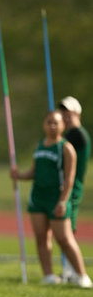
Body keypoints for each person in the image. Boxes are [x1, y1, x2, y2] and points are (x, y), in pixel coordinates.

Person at [10, 110, 92, 288]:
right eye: (49, 122)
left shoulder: (66, 148)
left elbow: (70, 178)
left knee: (64, 238)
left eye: (56, 123)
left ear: (63, 125)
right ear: (44, 124)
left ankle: (82, 275)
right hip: (38, 198)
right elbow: (34, 172)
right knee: (41, 238)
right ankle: (48, 275)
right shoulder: (39, 146)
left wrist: (63, 201)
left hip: (57, 198)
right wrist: (19, 175)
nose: (52, 126)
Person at [57, 96, 91, 282]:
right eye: (63, 113)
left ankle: (75, 273)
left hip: (72, 187)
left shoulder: (76, 134)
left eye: (68, 113)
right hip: (68, 186)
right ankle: (69, 271)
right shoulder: (72, 134)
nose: (65, 117)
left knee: (67, 231)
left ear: (76, 113)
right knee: (65, 231)